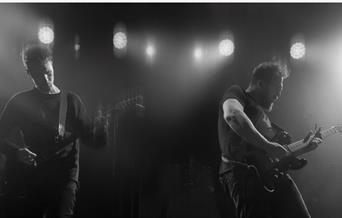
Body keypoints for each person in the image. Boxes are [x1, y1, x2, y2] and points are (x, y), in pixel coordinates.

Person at [0, 44, 107, 218]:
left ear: (52, 64)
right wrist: (16, 152)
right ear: (29, 73)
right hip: (33, 179)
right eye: (37, 75)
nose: (44, 79)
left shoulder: (72, 102)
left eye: (47, 72)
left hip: (65, 179)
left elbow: (94, 142)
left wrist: (102, 129)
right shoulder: (20, 102)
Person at [218, 61, 322, 218]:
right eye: (277, 88)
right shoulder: (237, 93)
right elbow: (232, 115)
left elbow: (272, 153)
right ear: (260, 83)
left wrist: (304, 147)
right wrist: (269, 146)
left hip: (272, 174)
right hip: (243, 172)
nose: (279, 94)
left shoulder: (263, 116)